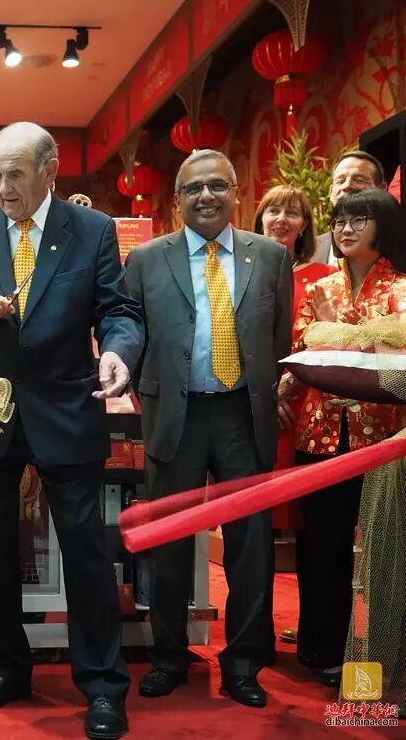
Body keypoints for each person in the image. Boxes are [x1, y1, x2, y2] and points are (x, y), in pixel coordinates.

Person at [0, 122, 142, 740]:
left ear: (49, 171)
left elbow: (117, 310)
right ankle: (7, 668)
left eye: (16, 175)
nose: (3, 187)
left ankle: (102, 685)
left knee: (85, 553)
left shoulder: (92, 229)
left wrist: (118, 352)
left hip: (66, 409)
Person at [124, 149, 293, 708]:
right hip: (176, 415)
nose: (206, 196)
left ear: (236, 193)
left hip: (243, 415)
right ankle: (169, 657)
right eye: (194, 188)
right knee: (169, 542)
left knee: (251, 548)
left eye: (217, 185)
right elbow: (129, 332)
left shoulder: (270, 256)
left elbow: (279, 336)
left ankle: (243, 664)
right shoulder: (146, 259)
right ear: (177, 200)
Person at [279, 188, 406, 686]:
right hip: (320, 433)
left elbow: (394, 352)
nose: (345, 229)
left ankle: (375, 655)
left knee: (381, 551)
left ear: (384, 227)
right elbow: (301, 349)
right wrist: (283, 387)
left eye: (359, 220)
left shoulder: (400, 287)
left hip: (383, 438)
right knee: (321, 545)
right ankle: (322, 645)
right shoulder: (320, 287)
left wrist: (337, 333)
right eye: (339, 221)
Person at [253, 185, 334, 523]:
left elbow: (331, 341)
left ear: (304, 225)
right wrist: (268, 392)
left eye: (292, 212)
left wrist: (287, 386)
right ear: (260, 219)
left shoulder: (325, 278)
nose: (281, 219)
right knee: (256, 510)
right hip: (255, 398)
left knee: (308, 516)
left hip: (307, 403)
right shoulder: (240, 273)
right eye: (273, 210)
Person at [311, 150, 387, 266]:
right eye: (340, 181)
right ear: (331, 192)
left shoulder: (398, 245)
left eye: (359, 180)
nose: (347, 186)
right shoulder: (311, 249)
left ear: (381, 190)